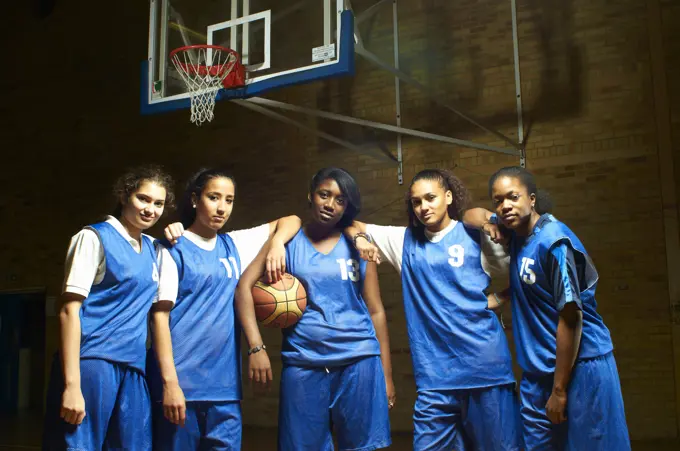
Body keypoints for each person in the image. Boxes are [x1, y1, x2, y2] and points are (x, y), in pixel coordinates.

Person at [345, 168, 520, 451]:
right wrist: (361, 240)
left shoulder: (476, 235)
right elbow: (350, 223)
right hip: (435, 378)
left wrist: (498, 298)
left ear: (448, 197)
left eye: (430, 198)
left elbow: (522, 265)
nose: (423, 207)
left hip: (486, 370)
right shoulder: (403, 241)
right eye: (416, 202)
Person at [465, 165, 630, 450]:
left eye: (513, 197)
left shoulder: (554, 241)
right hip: (537, 373)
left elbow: (571, 318)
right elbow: (469, 214)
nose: (504, 206)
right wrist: (487, 224)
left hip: (580, 366)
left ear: (531, 199)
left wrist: (559, 390)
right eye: (498, 200)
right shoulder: (514, 230)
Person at [236, 167, 395, 451]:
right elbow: (244, 288)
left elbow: (376, 311)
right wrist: (256, 347)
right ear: (311, 195)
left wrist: (387, 375)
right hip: (304, 362)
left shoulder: (359, 244)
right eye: (324, 194)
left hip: (359, 360)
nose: (330, 204)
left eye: (340, 200)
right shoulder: (286, 241)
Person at [148, 168, 301, 450]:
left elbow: (291, 220)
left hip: (225, 388)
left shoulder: (234, 245)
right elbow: (159, 318)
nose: (222, 208)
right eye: (213, 197)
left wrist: (277, 242)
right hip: (182, 386)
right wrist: (169, 383)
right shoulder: (171, 248)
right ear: (195, 199)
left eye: (229, 200)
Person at [43, 165, 175, 451]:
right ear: (124, 196)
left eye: (159, 203)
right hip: (93, 362)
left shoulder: (155, 249)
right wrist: (71, 385)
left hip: (134, 367)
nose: (151, 209)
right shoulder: (93, 238)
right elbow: (68, 311)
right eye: (144, 199)